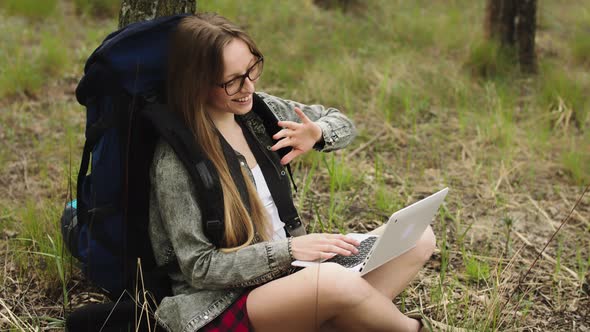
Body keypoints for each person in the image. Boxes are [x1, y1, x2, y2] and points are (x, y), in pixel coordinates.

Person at [148, 13, 438, 332]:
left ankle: (342, 318)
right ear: (197, 83)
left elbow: (342, 123)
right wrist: (289, 251)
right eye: (232, 80)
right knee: (332, 281)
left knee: (418, 237)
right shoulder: (176, 160)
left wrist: (316, 134)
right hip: (228, 302)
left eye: (252, 69)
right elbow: (199, 268)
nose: (249, 86)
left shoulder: (260, 113)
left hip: (294, 276)